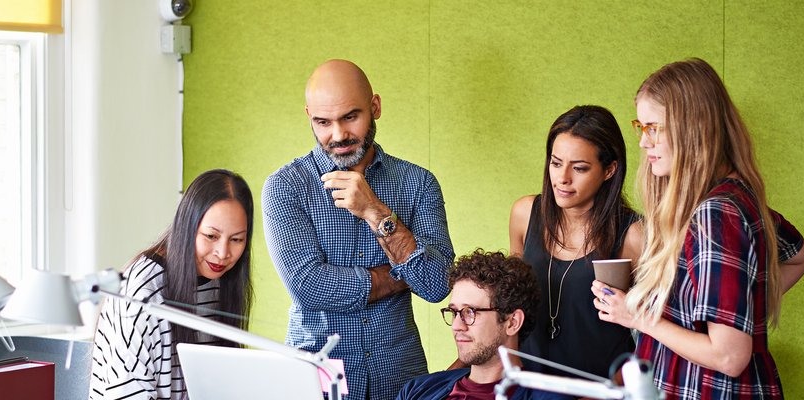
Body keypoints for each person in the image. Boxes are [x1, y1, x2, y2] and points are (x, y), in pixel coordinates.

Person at [591, 58, 804, 399]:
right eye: (641, 127)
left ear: (691, 128)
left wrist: (636, 317)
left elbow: (729, 357)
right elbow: (800, 255)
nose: (643, 142)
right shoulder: (730, 198)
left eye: (653, 128)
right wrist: (742, 311)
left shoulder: (716, 214)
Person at [263, 59, 455, 400]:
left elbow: (437, 283)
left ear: (375, 107)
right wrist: (398, 274)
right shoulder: (286, 187)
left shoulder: (419, 183)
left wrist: (375, 211)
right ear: (309, 116)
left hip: (400, 379)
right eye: (323, 122)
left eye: (351, 117)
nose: (338, 135)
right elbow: (308, 286)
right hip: (314, 381)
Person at [90, 169, 254, 400]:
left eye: (236, 239)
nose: (223, 253)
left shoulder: (220, 281)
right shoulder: (142, 293)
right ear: (187, 227)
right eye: (211, 236)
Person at [506, 105, 644, 379]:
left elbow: (654, 336)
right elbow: (509, 305)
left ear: (609, 170)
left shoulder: (635, 234)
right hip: (530, 386)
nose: (562, 178)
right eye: (556, 163)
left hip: (601, 389)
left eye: (579, 168)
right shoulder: (524, 214)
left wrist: (612, 391)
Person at [396, 250, 575, 400]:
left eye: (470, 312)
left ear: (512, 322)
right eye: (454, 312)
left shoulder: (546, 397)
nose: (456, 326)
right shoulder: (417, 390)